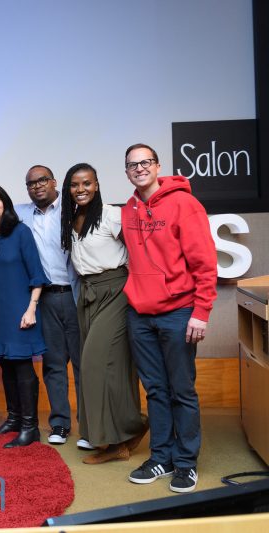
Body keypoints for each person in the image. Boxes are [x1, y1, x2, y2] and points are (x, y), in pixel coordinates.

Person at [121, 144, 217, 493]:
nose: (139, 168)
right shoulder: (128, 210)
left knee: (181, 390)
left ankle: (186, 463)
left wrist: (201, 312)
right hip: (140, 315)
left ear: (158, 165)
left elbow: (205, 263)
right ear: (127, 171)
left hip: (179, 313)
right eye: (132, 164)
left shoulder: (185, 204)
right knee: (156, 391)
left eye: (145, 162)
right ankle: (161, 457)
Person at [59, 164, 148, 465]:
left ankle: (131, 425)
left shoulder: (111, 214)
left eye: (86, 183)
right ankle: (118, 440)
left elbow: (139, 252)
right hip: (87, 294)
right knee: (109, 367)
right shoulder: (70, 219)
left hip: (115, 291)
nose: (80, 189)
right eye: (74, 184)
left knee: (95, 362)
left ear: (97, 185)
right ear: (68, 188)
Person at [0, 184, 49, 448]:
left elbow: (36, 273)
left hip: (20, 309)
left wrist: (31, 308)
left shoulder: (20, 232)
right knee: (5, 363)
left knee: (22, 366)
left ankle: (31, 427)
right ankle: (14, 419)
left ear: (4, 202)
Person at [17, 165, 86, 448]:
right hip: (44, 297)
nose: (37, 186)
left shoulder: (74, 207)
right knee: (54, 363)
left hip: (77, 294)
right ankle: (59, 423)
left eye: (42, 180)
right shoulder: (20, 214)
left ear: (54, 182)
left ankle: (90, 425)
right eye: (31, 183)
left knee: (84, 364)